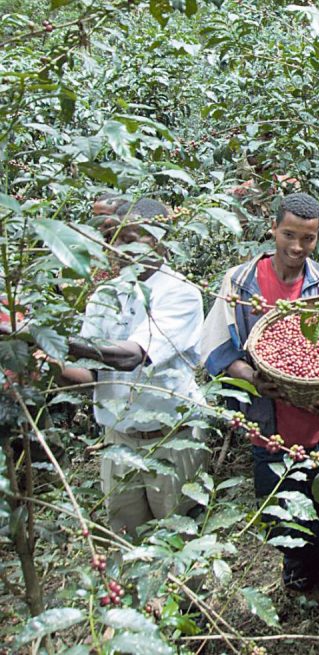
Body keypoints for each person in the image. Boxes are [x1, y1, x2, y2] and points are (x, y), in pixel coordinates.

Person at [200, 192, 319, 592]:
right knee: (277, 512)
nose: (296, 247)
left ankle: (308, 564)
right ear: (272, 229)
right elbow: (217, 349)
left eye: (307, 239)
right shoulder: (241, 282)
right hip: (269, 423)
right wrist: (254, 378)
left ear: (318, 237)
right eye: (288, 234)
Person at [18, 199, 209, 537]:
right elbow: (91, 373)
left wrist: (47, 337)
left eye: (131, 237)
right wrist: (49, 364)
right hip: (119, 440)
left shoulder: (180, 294)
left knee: (178, 541)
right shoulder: (105, 295)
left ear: (159, 240)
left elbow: (131, 355)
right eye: (114, 237)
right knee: (123, 538)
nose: (118, 247)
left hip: (170, 440)